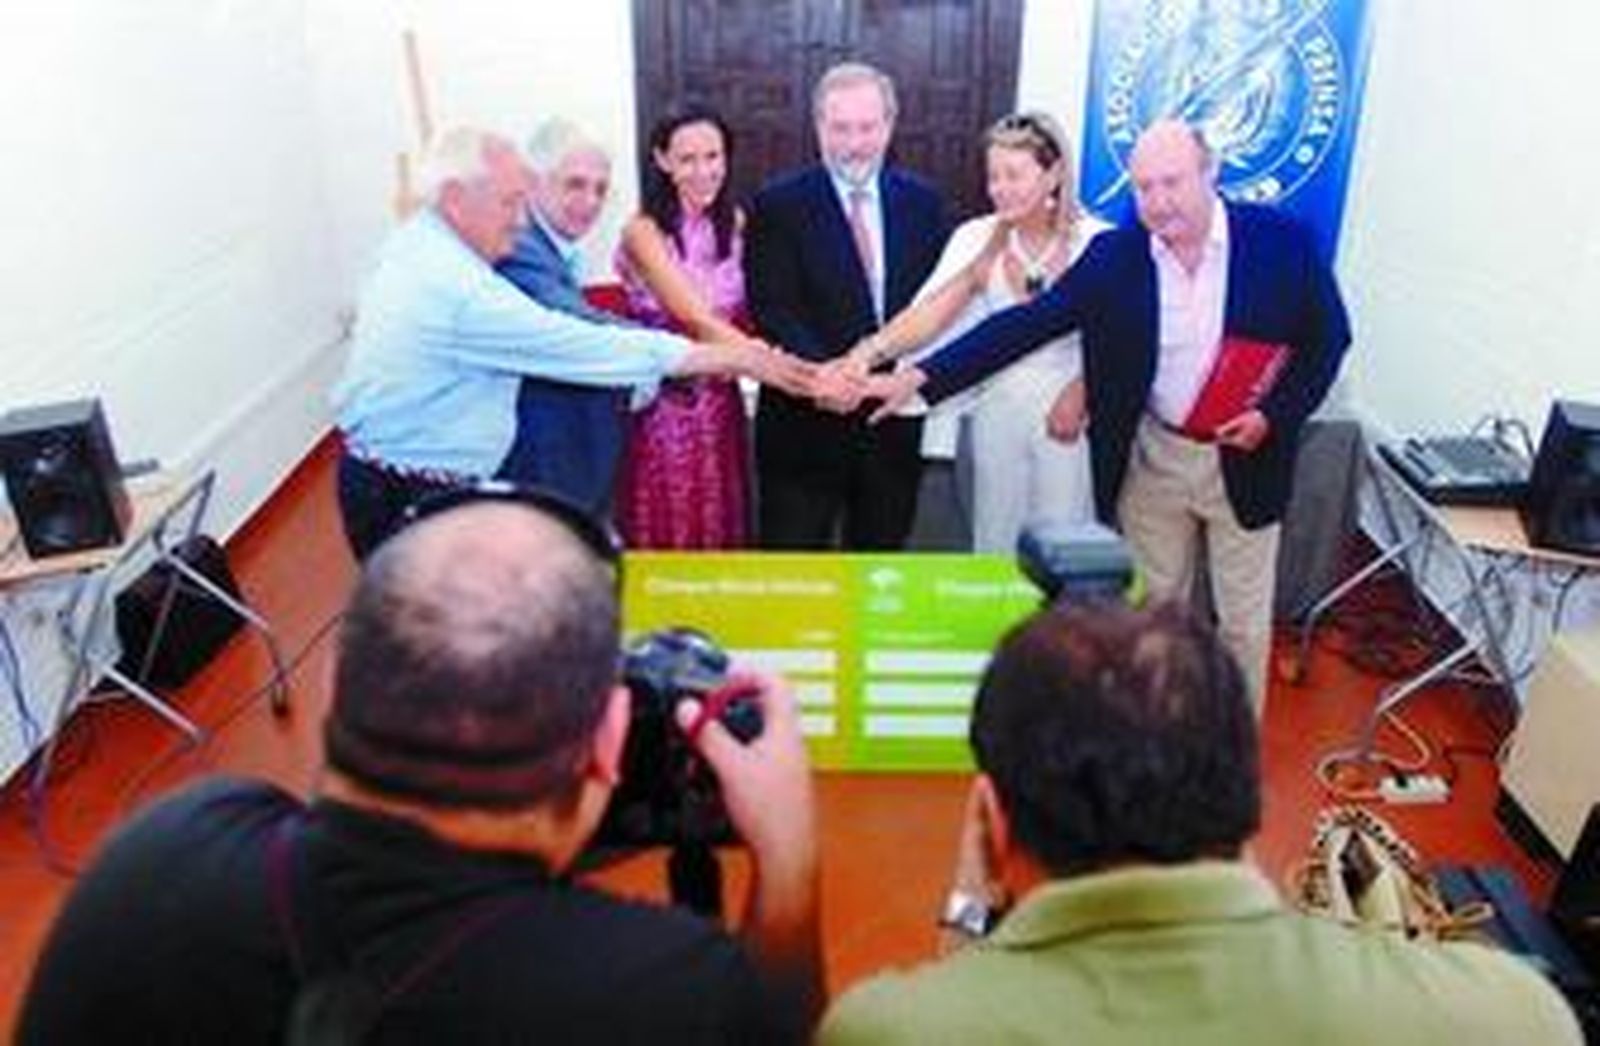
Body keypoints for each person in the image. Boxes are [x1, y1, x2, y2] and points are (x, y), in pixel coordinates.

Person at [19, 492, 823, 1044]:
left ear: (335, 688)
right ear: (610, 741)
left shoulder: (158, 856)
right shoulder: (671, 995)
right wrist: (789, 860)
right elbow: (781, 1026)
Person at [818, 601, 1583, 1044]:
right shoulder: (1509, 1017)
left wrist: (966, 912)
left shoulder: (890, 1030)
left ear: (990, 819)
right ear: (1248, 787)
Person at [865, 120, 1351, 708]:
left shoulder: (1281, 242)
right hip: (1155, 455)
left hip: (1249, 457)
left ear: (1211, 173)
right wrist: (920, 377)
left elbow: (1328, 340)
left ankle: (1232, 753)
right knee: (1154, 616)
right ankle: (1161, 736)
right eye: (1143, 187)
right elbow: (1028, 323)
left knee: (1244, 624)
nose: (1157, 202)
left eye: (1171, 183)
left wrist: (1274, 416)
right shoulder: (1118, 255)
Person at [330, 127, 811, 560]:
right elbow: (581, 343)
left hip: (427, 477)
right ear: (455, 199)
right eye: (511, 202)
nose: (521, 221)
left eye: (600, 188)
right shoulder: (460, 287)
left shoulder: (426, 240)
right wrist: (744, 357)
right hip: (412, 491)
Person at [819, 111, 1109, 553]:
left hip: (1068, 417)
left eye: (1014, 175)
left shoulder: (1097, 243)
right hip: (997, 410)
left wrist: (1084, 389)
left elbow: (1120, 340)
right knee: (994, 541)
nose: (1000, 188)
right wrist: (866, 353)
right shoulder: (978, 238)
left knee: (1067, 548)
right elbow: (930, 315)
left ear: (1053, 174)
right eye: (994, 176)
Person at [744, 61, 949, 550]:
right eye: (840, 128)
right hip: (803, 427)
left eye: (866, 127)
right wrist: (830, 376)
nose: (854, 143)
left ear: (889, 126)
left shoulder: (925, 203)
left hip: (889, 423)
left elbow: (937, 304)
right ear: (818, 127)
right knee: (796, 580)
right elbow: (773, 307)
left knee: (878, 574)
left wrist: (874, 379)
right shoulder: (777, 204)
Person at [613, 104, 760, 548]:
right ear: (662, 161)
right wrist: (776, 367)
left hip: (720, 402)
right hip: (663, 407)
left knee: (723, 521)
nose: (703, 171)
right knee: (668, 526)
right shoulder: (643, 231)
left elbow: (746, 311)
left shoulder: (734, 224)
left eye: (713, 157)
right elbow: (693, 316)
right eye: (688, 159)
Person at [495, 118, 631, 517]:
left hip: (570, 453)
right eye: (575, 184)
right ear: (534, 182)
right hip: (546, 461)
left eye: (600, 189)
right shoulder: (519, 250)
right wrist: (694, 355)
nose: (590, 202)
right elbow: (580, 326)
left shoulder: (554, 245)